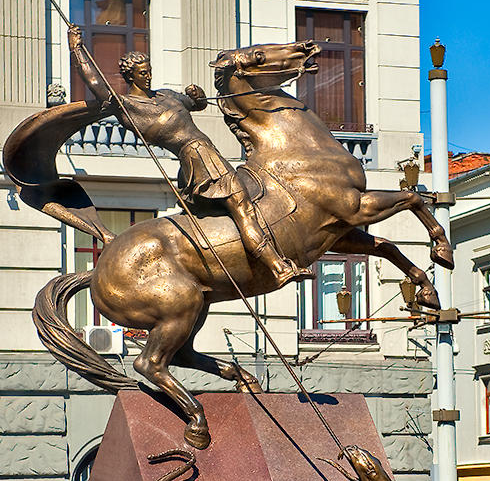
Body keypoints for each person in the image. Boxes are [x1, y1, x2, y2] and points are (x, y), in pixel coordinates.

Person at [67, 26, 313, 289]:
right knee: (245, 211)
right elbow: (96, 84)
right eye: (142, 73)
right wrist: (77, 48)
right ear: (130, 76)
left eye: (149, 71)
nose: (148, 77)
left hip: (206, 153)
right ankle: (278, 266)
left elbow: (196, 104)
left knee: (239, 211)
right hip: (197, 159)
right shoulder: (128, 107)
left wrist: (196, 96)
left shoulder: (166, 95)